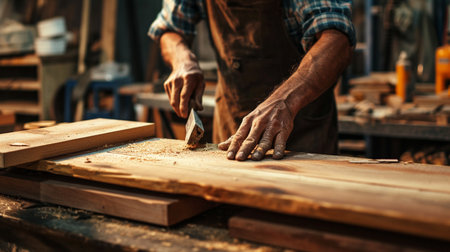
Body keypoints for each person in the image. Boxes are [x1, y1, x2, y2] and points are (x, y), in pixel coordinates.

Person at [149, 0, 355, 161]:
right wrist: (182, 59)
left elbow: (337, 39)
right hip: (230, 120)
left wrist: (285, 100)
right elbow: (170, 27)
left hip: (301, 132)